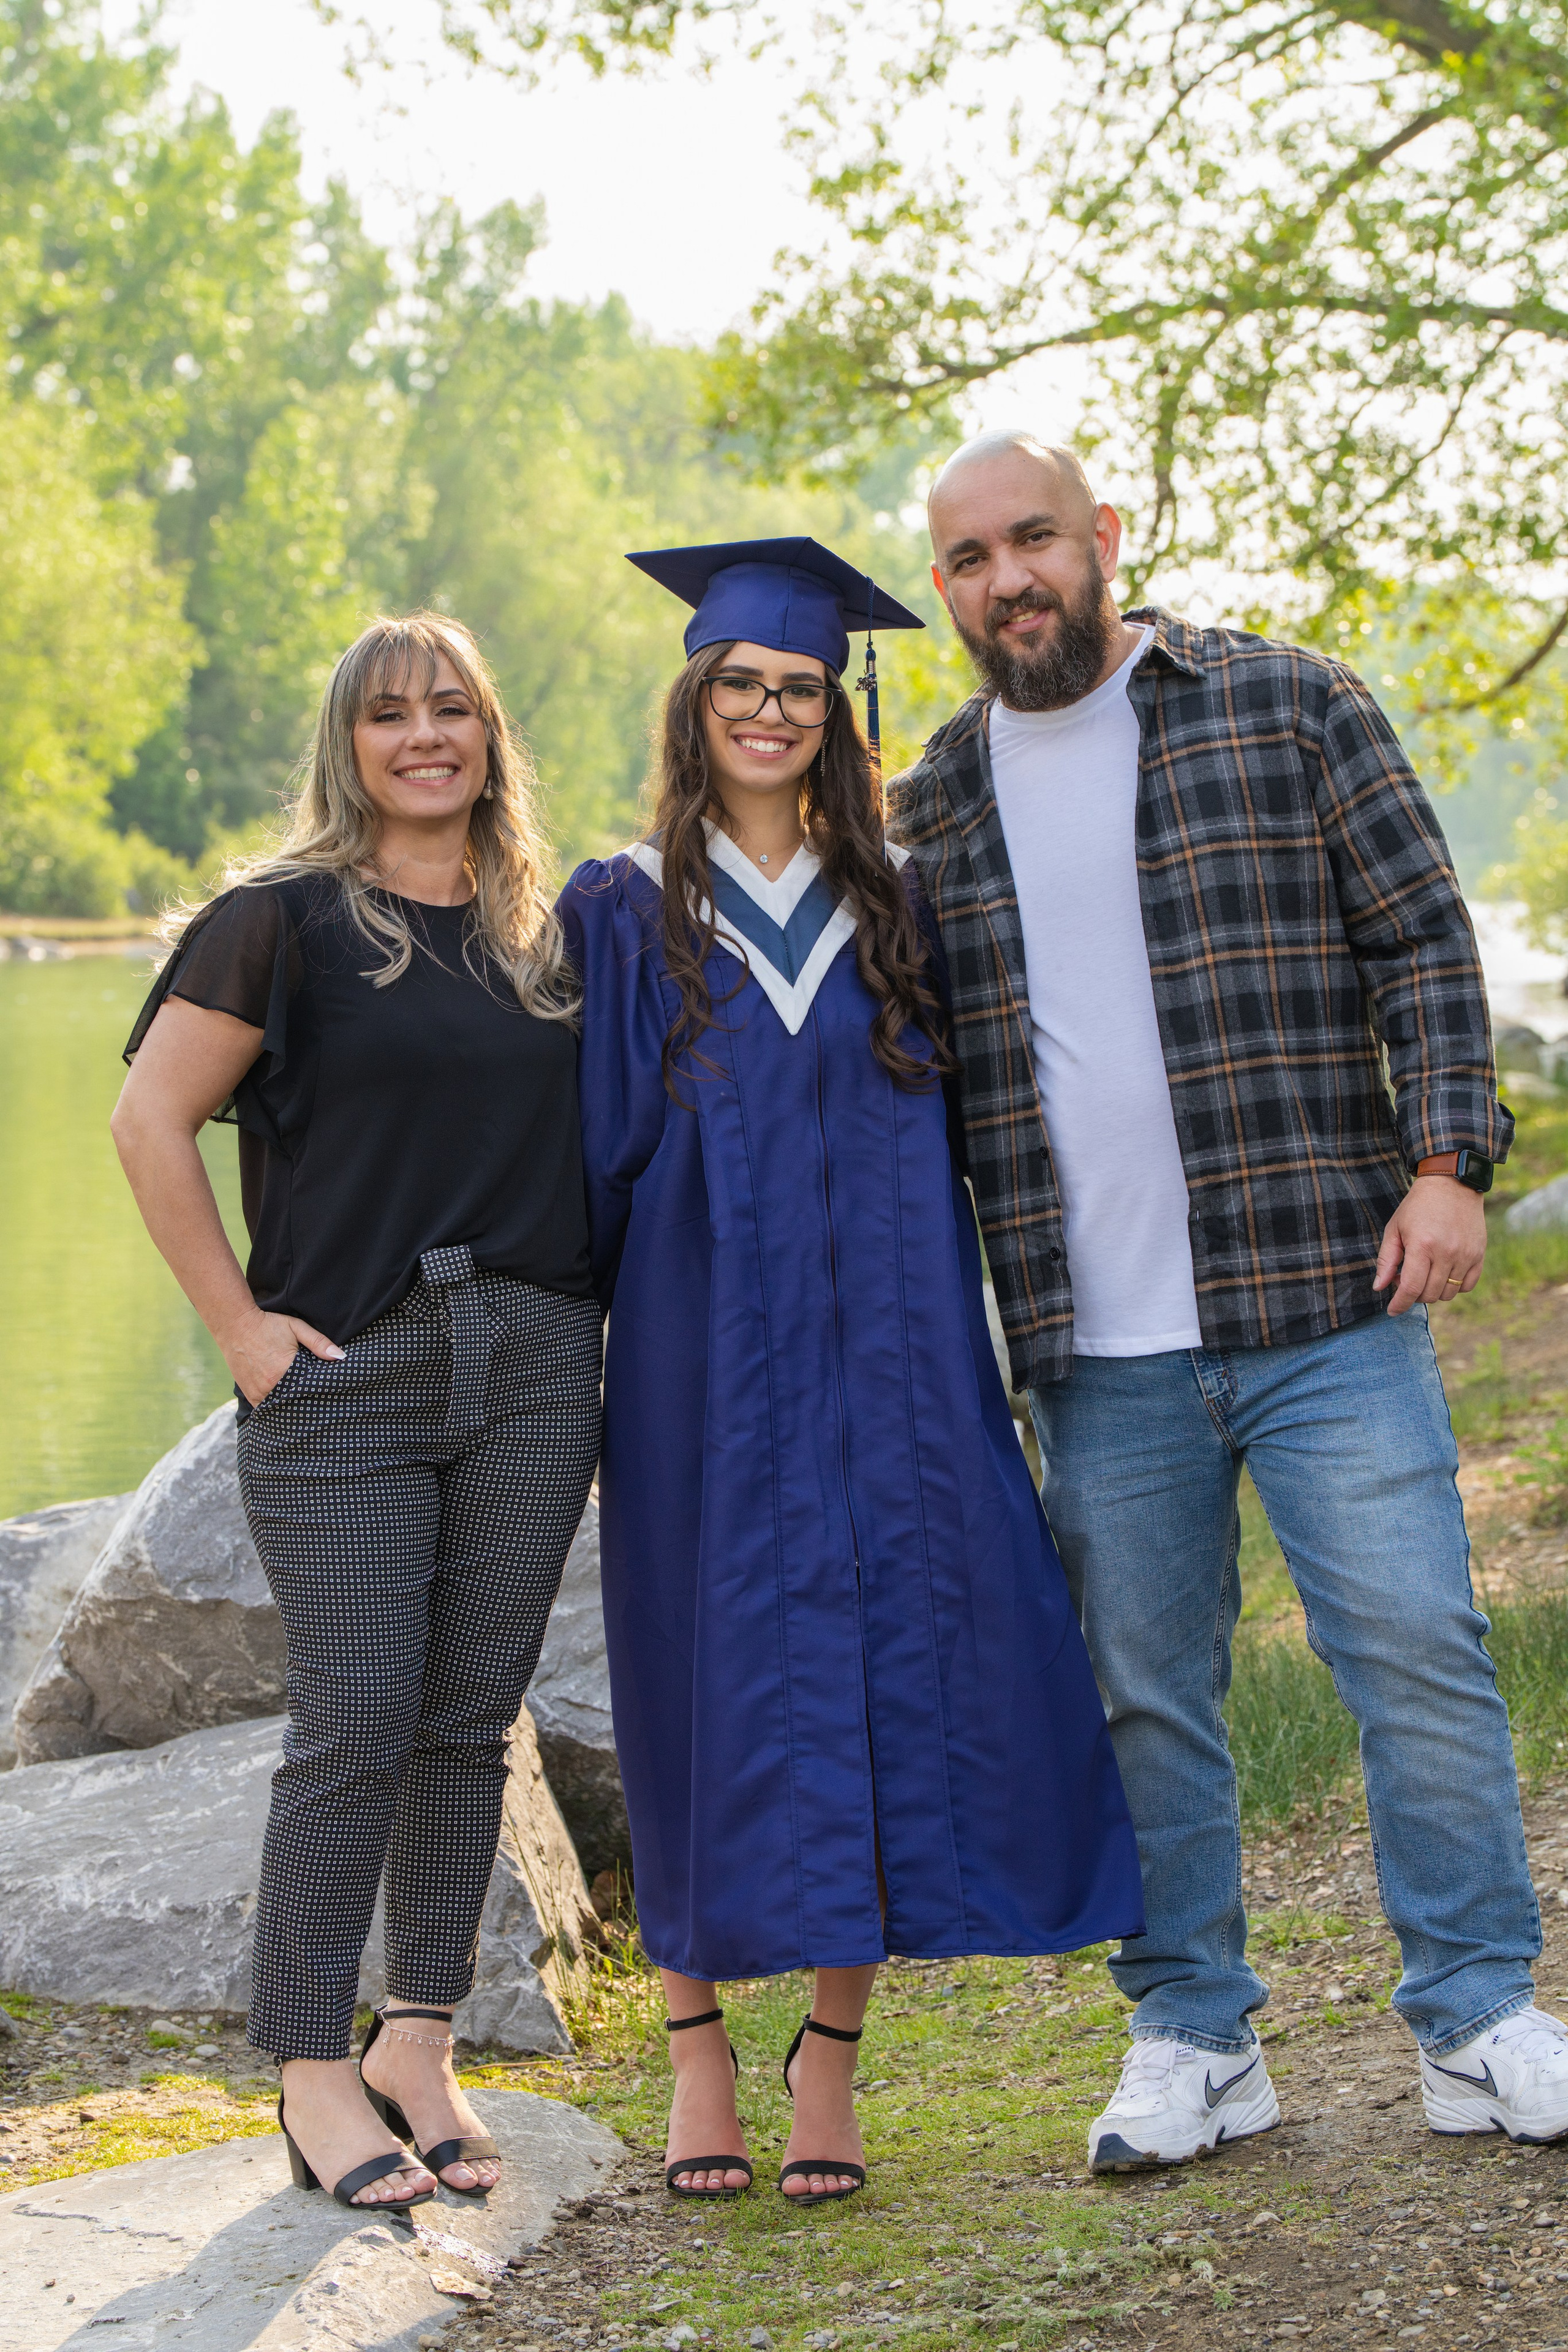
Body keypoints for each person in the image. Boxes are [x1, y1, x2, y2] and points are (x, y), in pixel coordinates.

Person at [891, 427, 1568, 2169]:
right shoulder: (934, 803)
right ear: (945, 588)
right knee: (1147, 1695)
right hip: (1092, 1348)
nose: (1006, 579)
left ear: (1104, 534)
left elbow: (1424, 938)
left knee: (1416, 1646)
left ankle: (1481, 2017)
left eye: (1031, 539)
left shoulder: (1284, 703)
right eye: (967, 559)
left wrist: (1450, 1163)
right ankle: (1195, 2034)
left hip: (1325, 1301)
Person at [558, 535, 1144, 2206]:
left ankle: (829, 2058)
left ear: (836, 709)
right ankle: (695, 2056)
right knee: (690, 1686)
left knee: (889, 1675)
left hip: (895, 1362)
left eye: (799, 688)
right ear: (696, 704)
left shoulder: (899, 900)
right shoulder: (624, 909)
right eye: (740, 684)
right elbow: (593, 1165)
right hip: (694, 1371)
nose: (768, 709)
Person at [111, 614, 601, 2210]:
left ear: (491, 733)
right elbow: (149, 1122)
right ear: (350, 743)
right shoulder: (280, 923)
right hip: (352, 1377)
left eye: (451, 707)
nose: (423, 737)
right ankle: (311, 2070)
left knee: (469, 1723)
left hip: (536, 1359)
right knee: (356, 1720)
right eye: (389, 715)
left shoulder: (546, 934)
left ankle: (418, 2045)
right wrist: (243, 1333)